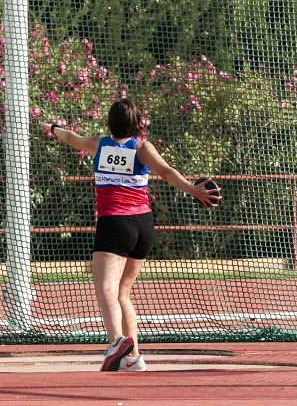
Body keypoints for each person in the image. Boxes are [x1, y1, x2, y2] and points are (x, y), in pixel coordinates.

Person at [40, 98, 221, 371]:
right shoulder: (142, 147)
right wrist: (193, 189)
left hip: (115, 224)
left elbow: (71, 137)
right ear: (137, 123)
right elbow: (166, 171)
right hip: (144, 227)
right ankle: (134, 357)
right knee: (123, 292)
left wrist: (52, 128)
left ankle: (116, 344)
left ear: (109, 122)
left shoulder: (100, 145)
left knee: (105, 289)